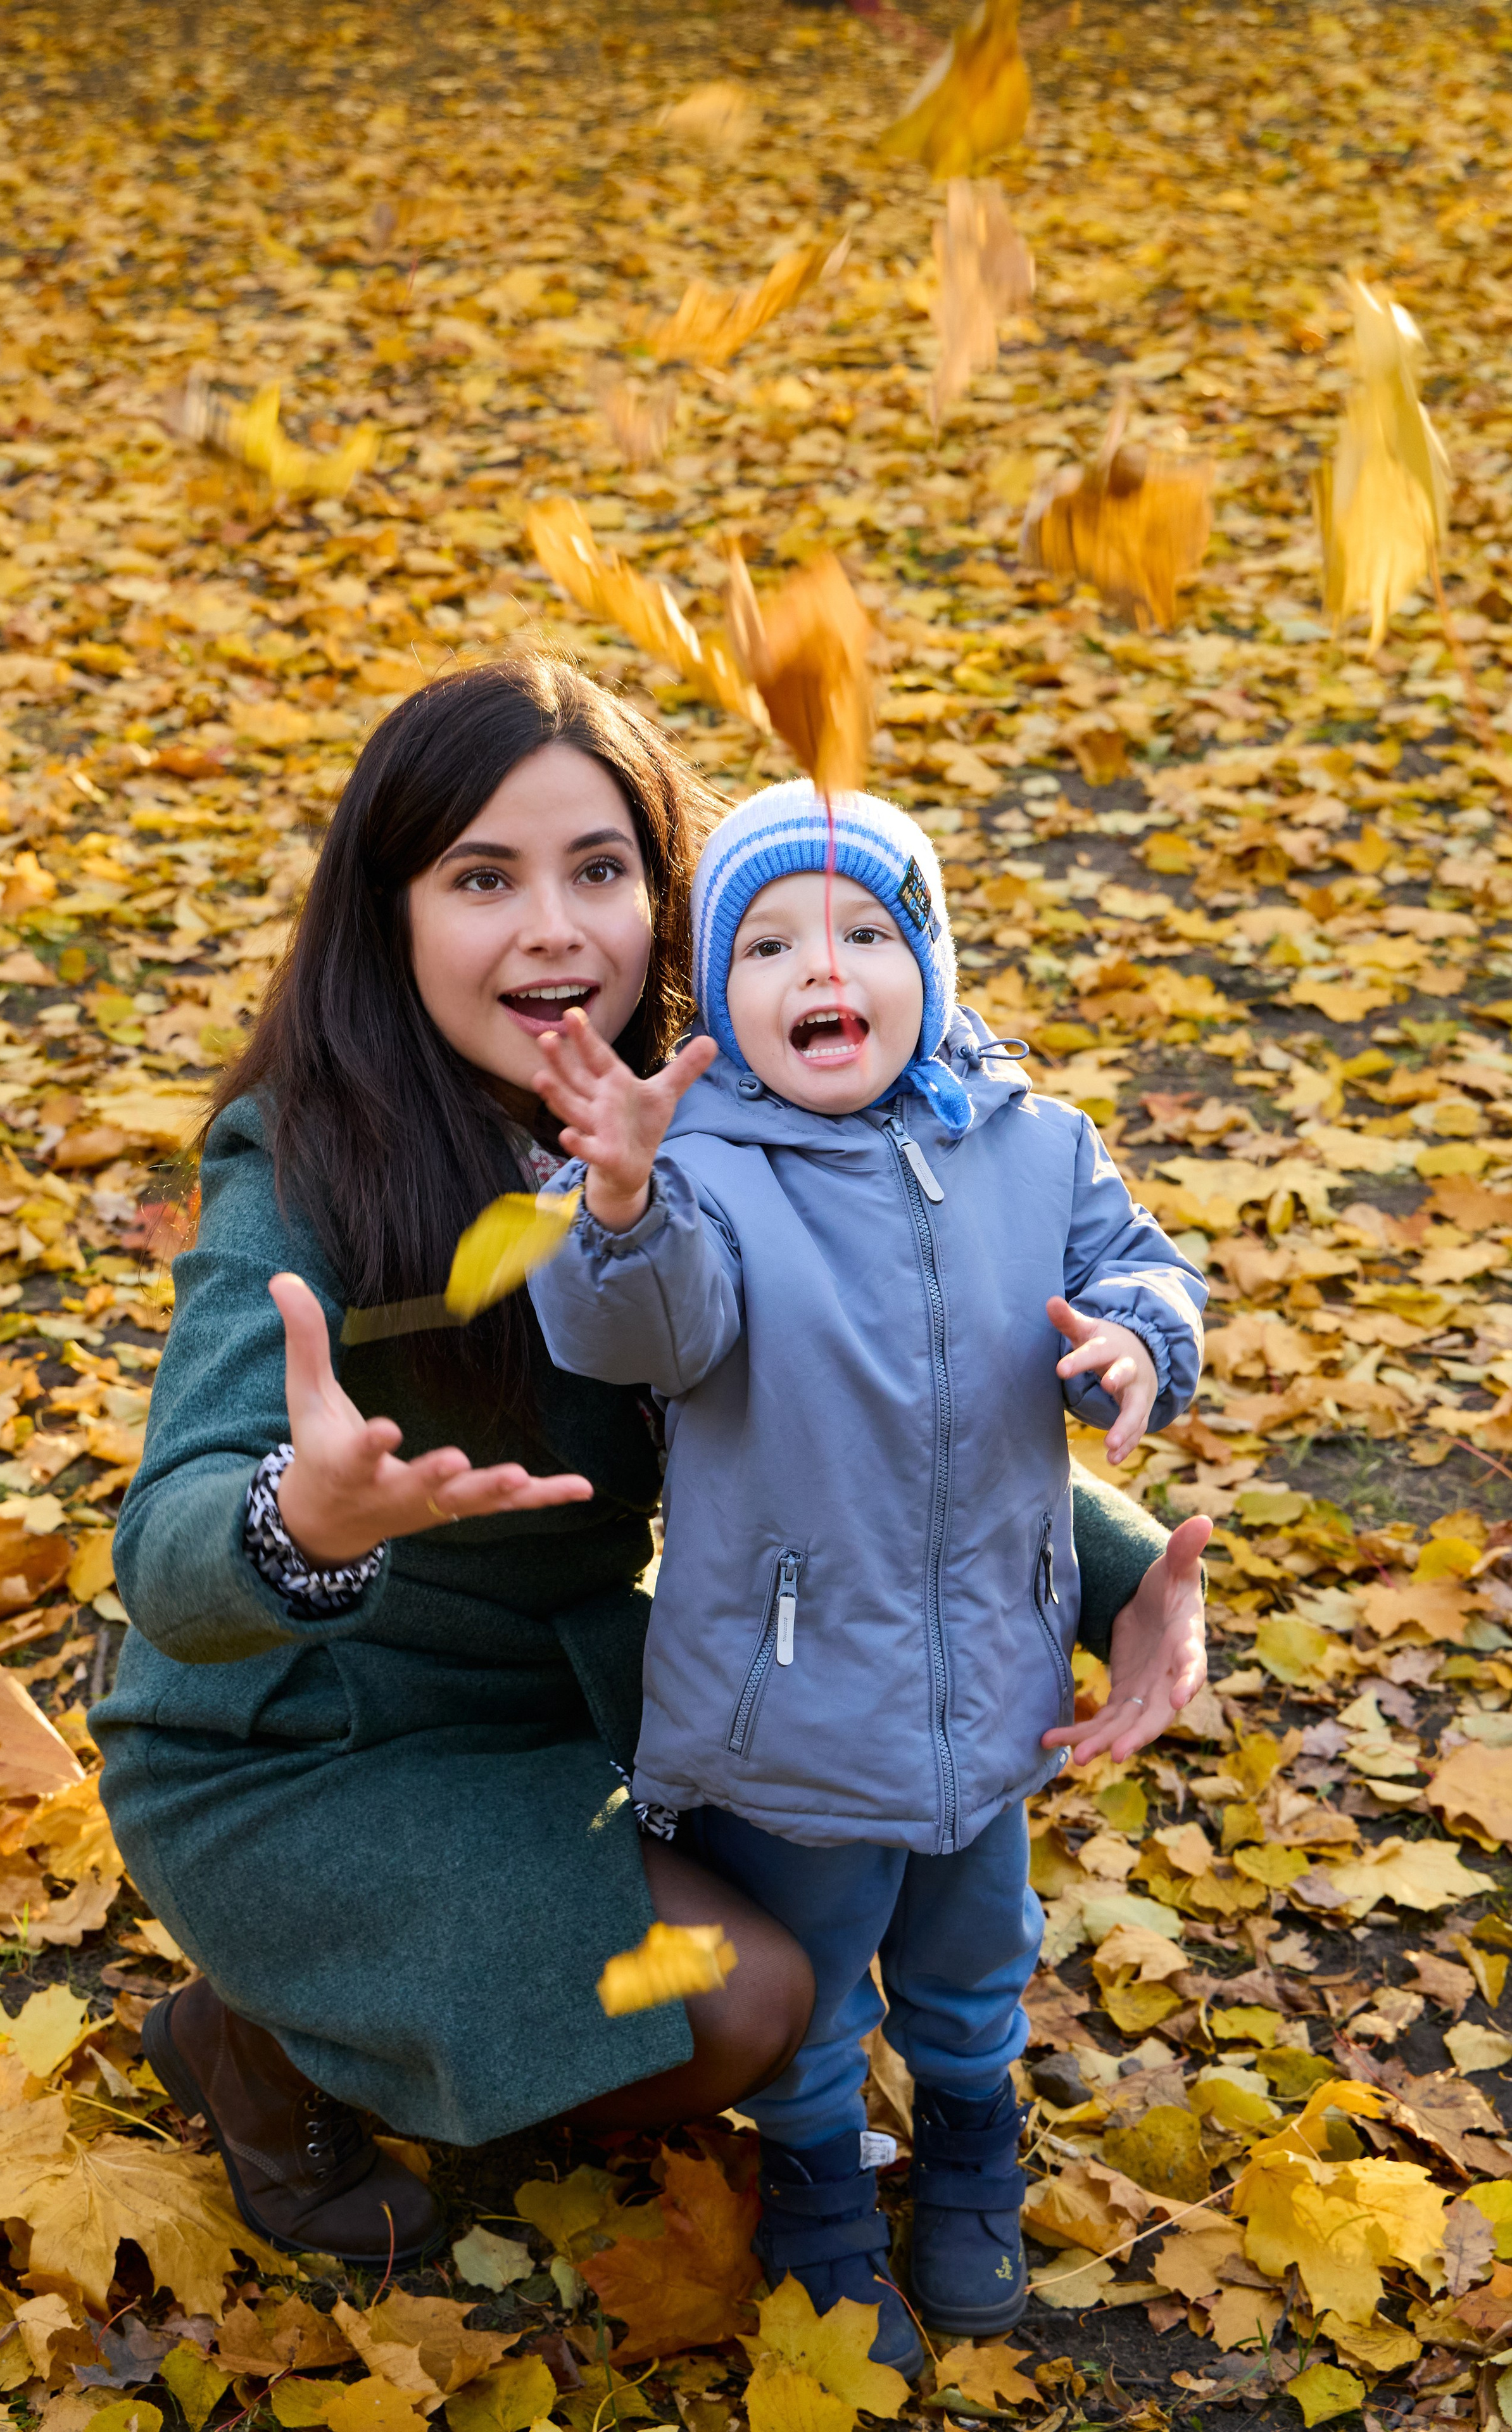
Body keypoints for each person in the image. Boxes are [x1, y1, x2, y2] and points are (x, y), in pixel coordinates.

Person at [92, 659, 1209, 2283]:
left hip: (576, 1701)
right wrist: (296, 1517)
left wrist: (1124, 1582)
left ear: (662, 899)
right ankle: (259, 2036)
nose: (554, 930)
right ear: (386, 913)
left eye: (598, 872)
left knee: (796, 1938)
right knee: (740, 1998)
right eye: (483, 878)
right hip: (307, 1746)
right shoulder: (305, 1158)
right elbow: (171, 1557)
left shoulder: (723, 1111)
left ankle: (499, 2017)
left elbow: (885, 1398)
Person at [528, 779, 1209, 2368]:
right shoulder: (698, 1170)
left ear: (931, 960)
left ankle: (971, 2137)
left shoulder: (1030, 1145)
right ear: (720, 998)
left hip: (991, 1681)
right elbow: (644, 1328)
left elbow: (1138, 1261)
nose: (815, 968)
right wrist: (617, 1199)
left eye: (860, 931)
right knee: (818, 1980)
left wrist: (1138, 1341)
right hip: (783, 1713)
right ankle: (822, 2182)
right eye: (763, 944)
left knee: (977, 1955)